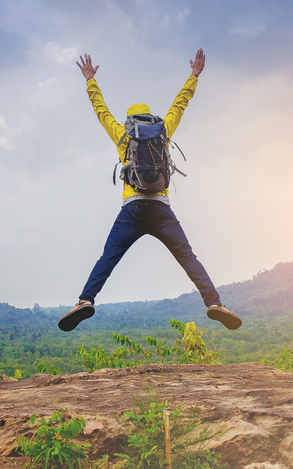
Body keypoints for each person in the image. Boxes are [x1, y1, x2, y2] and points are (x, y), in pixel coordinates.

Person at [58, 49, 242, 332]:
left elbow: (101, 111)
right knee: (187, 257)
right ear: (150, 118)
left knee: (108, 257)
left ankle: (85, 300)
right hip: (160, 208)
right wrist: (193, 76)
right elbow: (180, 105)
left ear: (130, 119)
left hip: (131, 208)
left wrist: (90, 82)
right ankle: (214, 302)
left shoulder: (122, 134)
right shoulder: (163, 131)